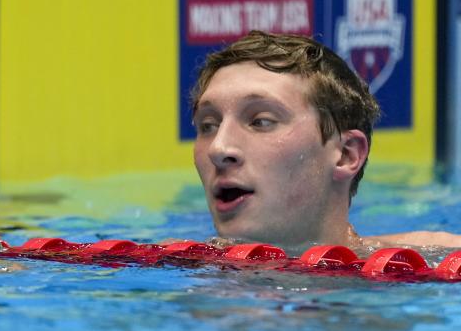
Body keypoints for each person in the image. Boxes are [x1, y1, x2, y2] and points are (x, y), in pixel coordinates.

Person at [190, 30, 461, 251]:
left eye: (261, 121)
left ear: (346, 155)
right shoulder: (167, 266)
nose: (219, 148)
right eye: (208, 125)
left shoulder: (434, 262)